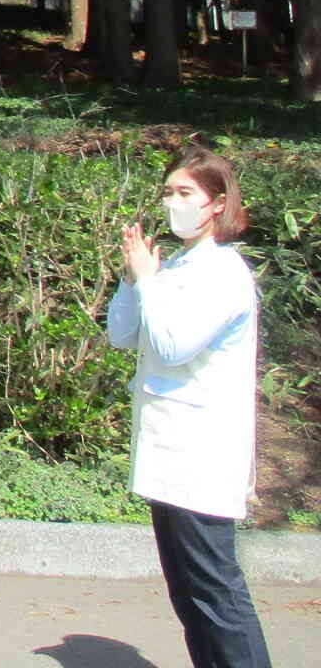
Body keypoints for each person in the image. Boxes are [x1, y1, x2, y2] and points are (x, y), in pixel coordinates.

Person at [105, 147, 274, 668]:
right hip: (167, 451)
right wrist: (135, 281)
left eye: (186, 194)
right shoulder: (176, 266)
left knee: (216, 592)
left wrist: (150, 281)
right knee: (190, 595)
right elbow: (123, 334)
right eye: (168, 192)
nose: (172, 202)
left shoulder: (224, 273)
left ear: (217, 204)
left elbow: (176, 345)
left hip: (201, 455)